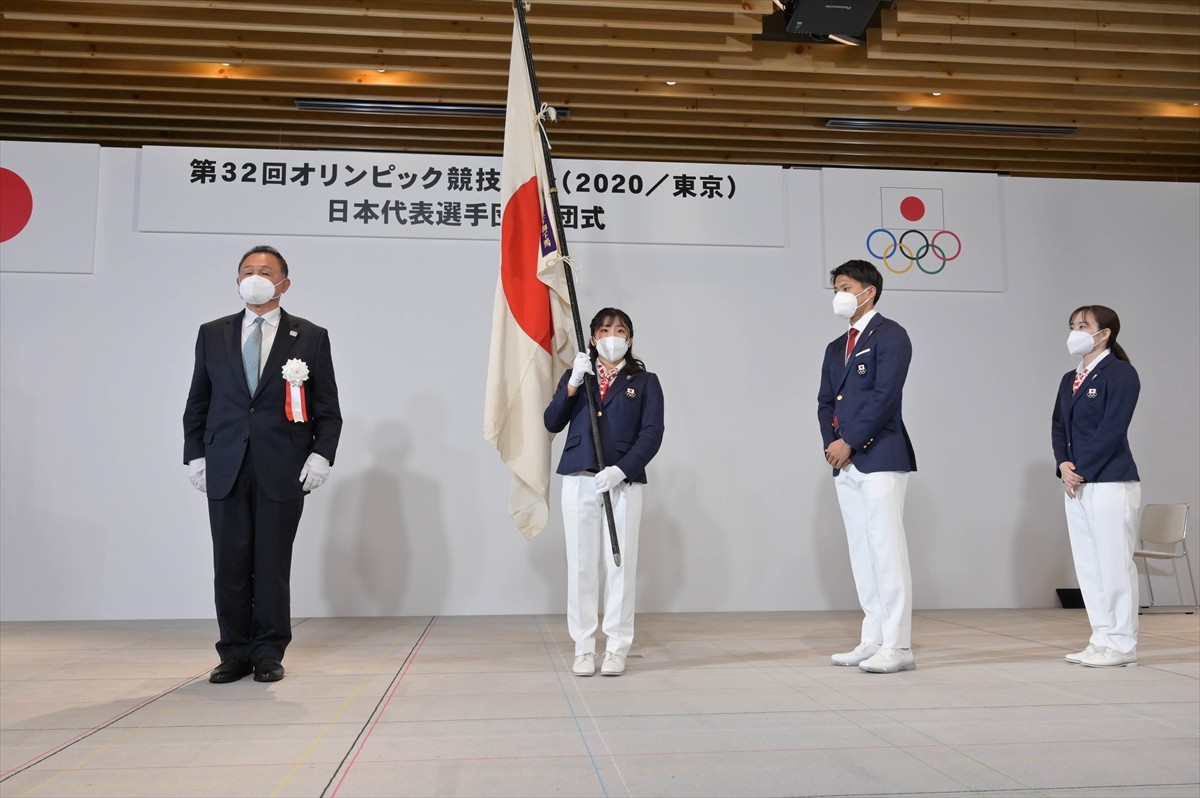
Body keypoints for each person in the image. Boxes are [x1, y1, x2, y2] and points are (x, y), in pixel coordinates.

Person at [183, 245, 342, 684]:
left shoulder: (309, 335)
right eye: (247, 271)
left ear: (284, 284)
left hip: (283, 466)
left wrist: (320, 454)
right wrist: (195, 454)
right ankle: (233, 652)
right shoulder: (212, 333)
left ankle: (269, 651)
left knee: (272, 563)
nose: (255, 277)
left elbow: (327, 408)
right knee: (230, 563)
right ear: (237, 281)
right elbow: (198, 400)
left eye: (265, 271)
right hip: (226, 463)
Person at [544, 308, 664, 677]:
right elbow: (551, 421)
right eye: (605, 329)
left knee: (620, 565)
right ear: (593, 337)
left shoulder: (645, 381)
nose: (613, 335)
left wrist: (621, 469)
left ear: (630, 338)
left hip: (622, 481)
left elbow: (652, 432)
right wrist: (572, 385)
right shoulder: (577, 375)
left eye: (621, 330)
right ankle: (583, 647)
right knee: (581, 565)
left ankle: (616, 646)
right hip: (579, 475)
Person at [817, 259, 917, 674]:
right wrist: (832, 446)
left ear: (868, 290)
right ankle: (872, 637)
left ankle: (898, 645)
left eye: (845, 286)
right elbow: (825, 402)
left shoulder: (891, 335)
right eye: (835, 288)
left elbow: (884, 396)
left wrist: (851, 442)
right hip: (845, 463)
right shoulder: (834, 347)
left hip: (880, 456)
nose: (839, 294)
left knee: (886, 550)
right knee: (862, 551)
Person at [1052, 305, 1141, 668]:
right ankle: (1100, 637)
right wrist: (1063, 465)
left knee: (1114, 564)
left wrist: (1081, 469)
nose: (1075, 331)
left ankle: (1122, 644)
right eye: (1073, 325)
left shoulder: (1121, 374)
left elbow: (1113, 428)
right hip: (1077, 483)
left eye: (1083, 326)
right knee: (1089, 565)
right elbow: (1059, 427)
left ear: (1104, 334)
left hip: (1110, 481)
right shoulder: (1068, 378)